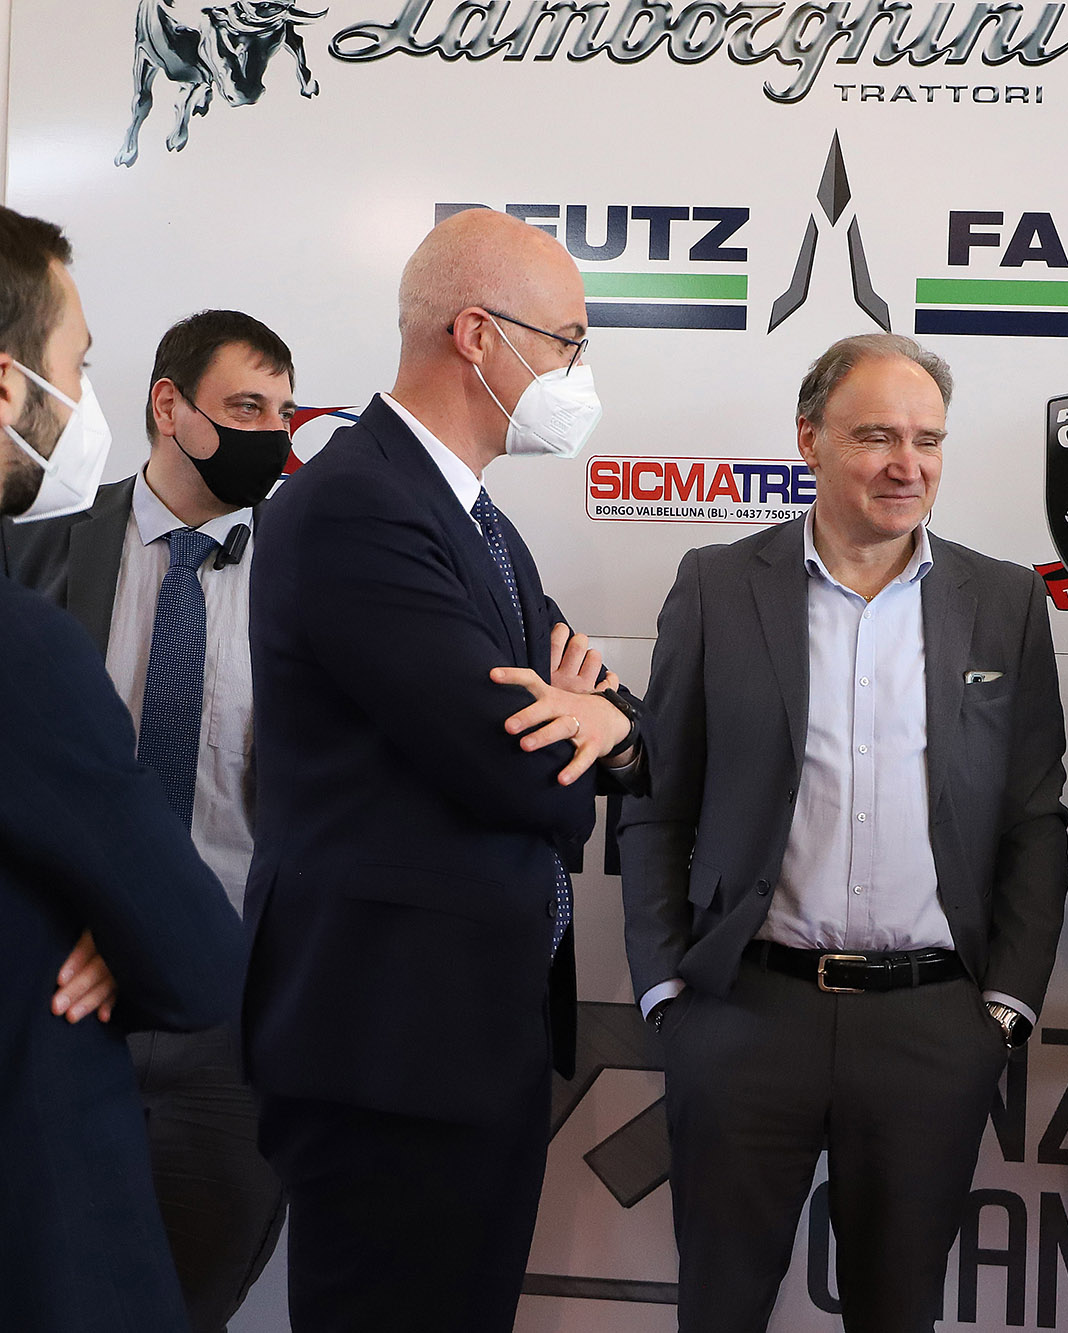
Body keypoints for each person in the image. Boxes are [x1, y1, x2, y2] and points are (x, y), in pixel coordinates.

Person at [243, 207, 650, 1332]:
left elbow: (625, 725)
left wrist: (606, 725)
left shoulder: (476, 520)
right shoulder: (357, 504)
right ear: (477, 334)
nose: (576, 372)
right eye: (566, 341)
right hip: (386, 1043)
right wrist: (587, 730)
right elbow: (511, 764)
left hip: (471, 1031)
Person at [619, 332, 1068, 1332]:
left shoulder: (1003, 601)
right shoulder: (717, 584)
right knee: (720, 1309)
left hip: (930, 1028)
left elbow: (1034, 817)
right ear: (808, 439)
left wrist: (1000, 1010)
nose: (907, 464)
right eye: (875, 436)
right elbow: (656, 794)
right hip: (745, 1016)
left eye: (927, 439)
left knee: (897, 1313)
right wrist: (665, 990)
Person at [1, 308, 295, 1332]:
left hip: (234, 1017)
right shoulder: (36, 545)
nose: (272, 433)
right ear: (169, 407)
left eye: (284, 412)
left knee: (193, 1299)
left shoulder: (313, 570)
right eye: (246, 406)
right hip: (60, 1006)